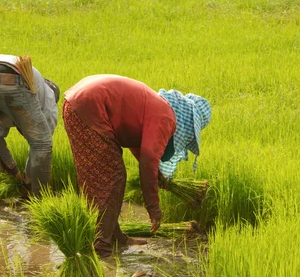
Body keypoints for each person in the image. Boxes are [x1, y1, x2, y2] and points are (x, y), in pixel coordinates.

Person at [62, 75, 212, 258]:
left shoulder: (157, 109)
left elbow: (137, 145)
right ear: (188, 122)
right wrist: (153, 209)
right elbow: (148, 159)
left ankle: (115, 237)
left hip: (79, 103)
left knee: (105, 178)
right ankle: (102, 247)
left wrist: (156, 175)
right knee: (111, 178)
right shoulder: (165, 118)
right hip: (90, 106)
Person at [0, 54, 59, 209]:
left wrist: (13, 169)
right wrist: (26, 180)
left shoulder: (36, 85)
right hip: (11, 79)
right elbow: (41, 145)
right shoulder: (48, 99)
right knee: (42, 143)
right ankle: (40, 207)